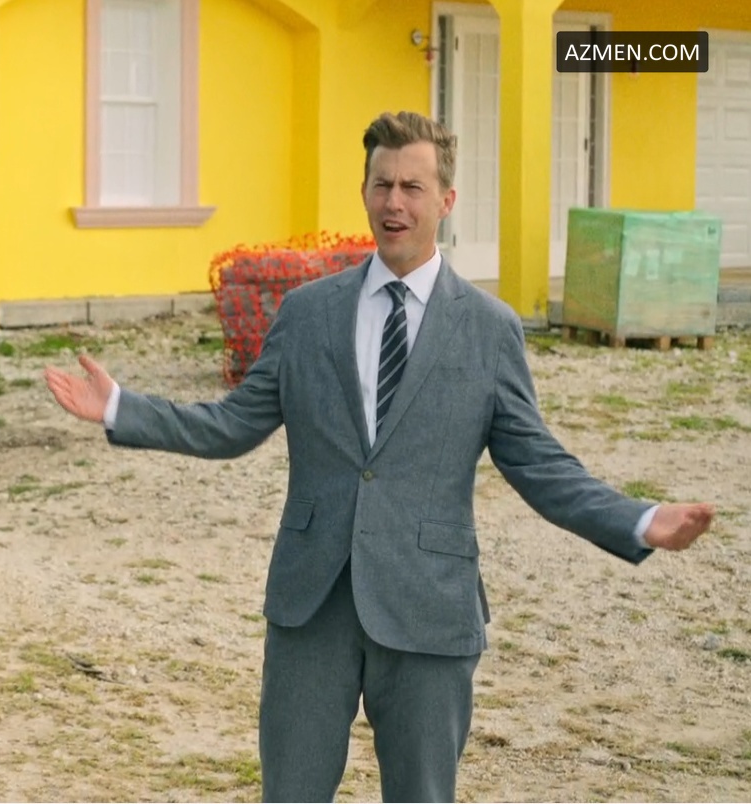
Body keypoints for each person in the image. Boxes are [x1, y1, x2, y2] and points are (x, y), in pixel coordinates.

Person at [45, 111, 714, 803]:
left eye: (413, 188)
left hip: (429, 607)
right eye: (382, 185)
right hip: (313, 604)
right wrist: (122, 407)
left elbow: (539, 465)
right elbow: (233, 425)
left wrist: (640, 520)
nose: (395, 203)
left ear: (446, 200)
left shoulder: (489, 330)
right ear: (364, 192)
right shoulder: (307, 313)